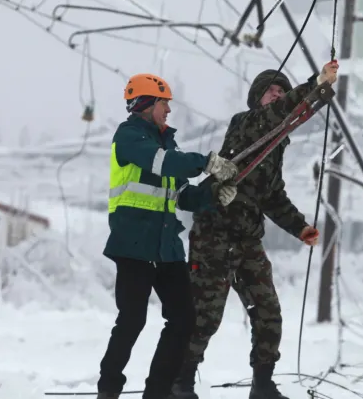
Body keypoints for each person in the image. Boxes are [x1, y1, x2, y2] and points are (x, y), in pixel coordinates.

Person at [170, 61, 339, 399]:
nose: (277, 95)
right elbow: (277, 114)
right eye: (271, 91)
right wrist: (314, 84)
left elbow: (272, 195)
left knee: (268, 312)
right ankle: (181, 382)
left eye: (281, 91)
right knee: (206, 313)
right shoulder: (245, 125)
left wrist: (299, 226)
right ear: (257, 98)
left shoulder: (275, 145)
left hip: (247, 239)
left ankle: (263, 384)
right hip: (214, 234)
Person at [97, 73, 242, 399]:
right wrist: (206, 162)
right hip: (133, 244)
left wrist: (214, 195)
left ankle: (158, 391)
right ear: (146, 104)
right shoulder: (130, 137)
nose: (169, 111)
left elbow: (182, 196)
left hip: (166, 247)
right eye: (164, 103)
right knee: (132, 321)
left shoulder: (167, 144)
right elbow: (163, 164)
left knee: (183, 319)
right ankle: (108, 390)